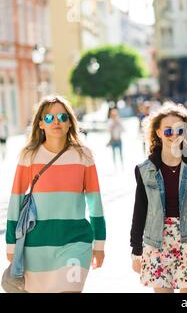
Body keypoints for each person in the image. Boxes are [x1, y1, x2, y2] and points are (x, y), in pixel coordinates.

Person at [5, 95, 106, 293]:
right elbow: (15, 200)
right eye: (49, 118)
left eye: (62, 116)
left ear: (70, 123)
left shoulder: (83, 155)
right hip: (36, 247)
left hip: (75, 242)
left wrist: (99, 244)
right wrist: (11, 244)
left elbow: (95, 203)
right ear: (41, 124)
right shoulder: (29, 156)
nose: (56, 121)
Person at [130, 103, 187, 293]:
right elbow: (140, 209)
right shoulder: (145, 169)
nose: (174, 135)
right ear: (158, 133)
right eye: (168, 130)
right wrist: (136, 249)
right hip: (156, 242)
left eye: (179, 130)